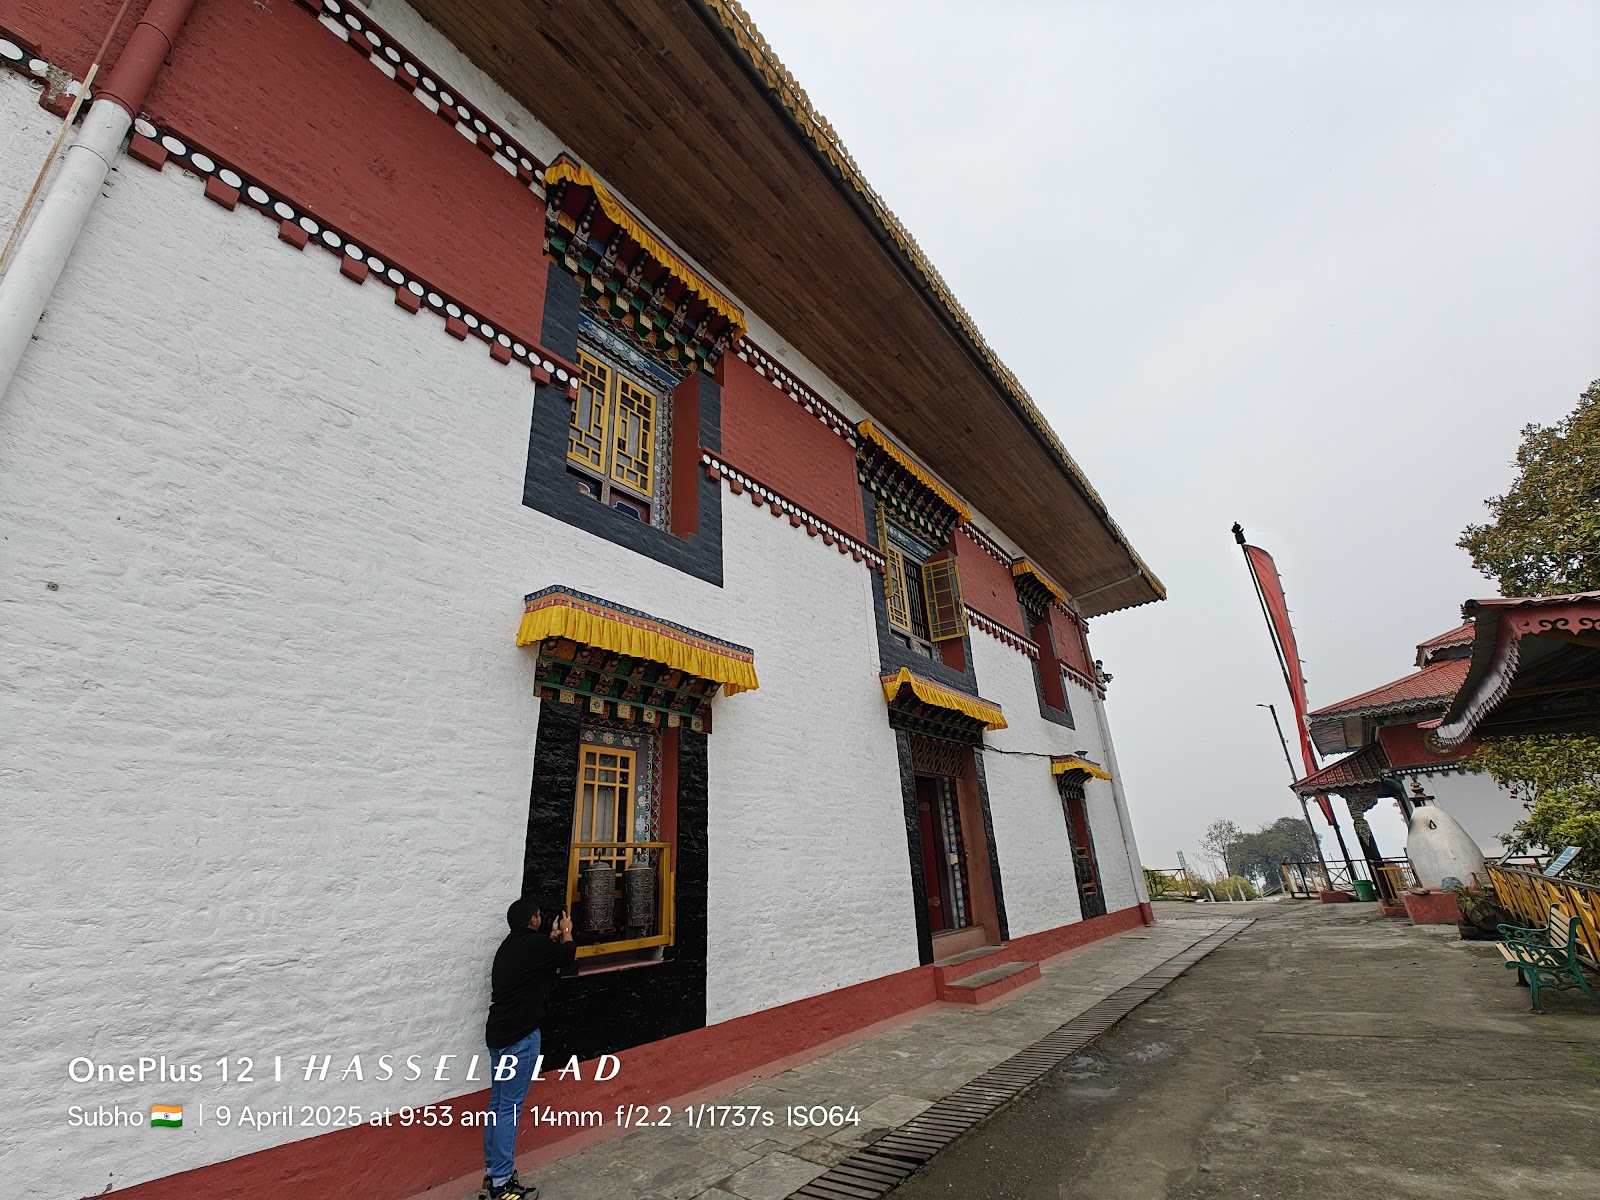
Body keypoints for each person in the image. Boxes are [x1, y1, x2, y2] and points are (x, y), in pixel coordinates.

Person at [480, 895, 574, 1200]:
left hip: (498, 1035)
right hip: (520, 1038)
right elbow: (566, 956)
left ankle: (494, 1172)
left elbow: (541, 959)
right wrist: (568, 932)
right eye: (538, 916)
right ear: (532, 920)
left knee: (497, 1106)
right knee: (509, 1108)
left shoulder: (509, 947)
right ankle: (503, 1185)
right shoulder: (533, 947)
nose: (540, 919)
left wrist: (551, 938)